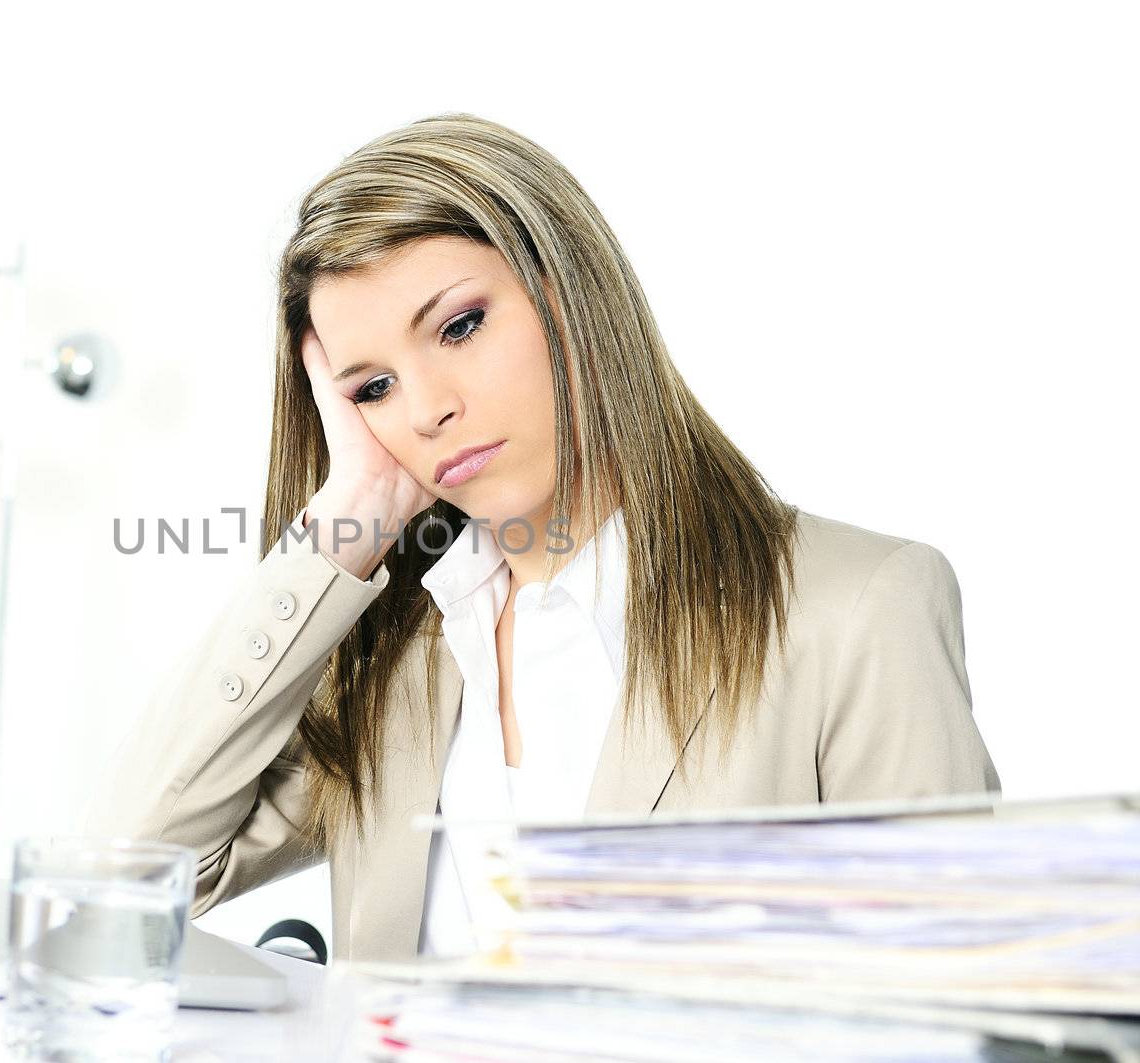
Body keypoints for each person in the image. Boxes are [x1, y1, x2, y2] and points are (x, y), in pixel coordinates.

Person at [88, 112, 1000, 965]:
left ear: (569, 297)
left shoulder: (855, 610)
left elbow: (957, 1001)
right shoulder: (401, 660)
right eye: (373, 388)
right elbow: (126, 878)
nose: (430, 407)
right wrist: (350, 512)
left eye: (461, 325)